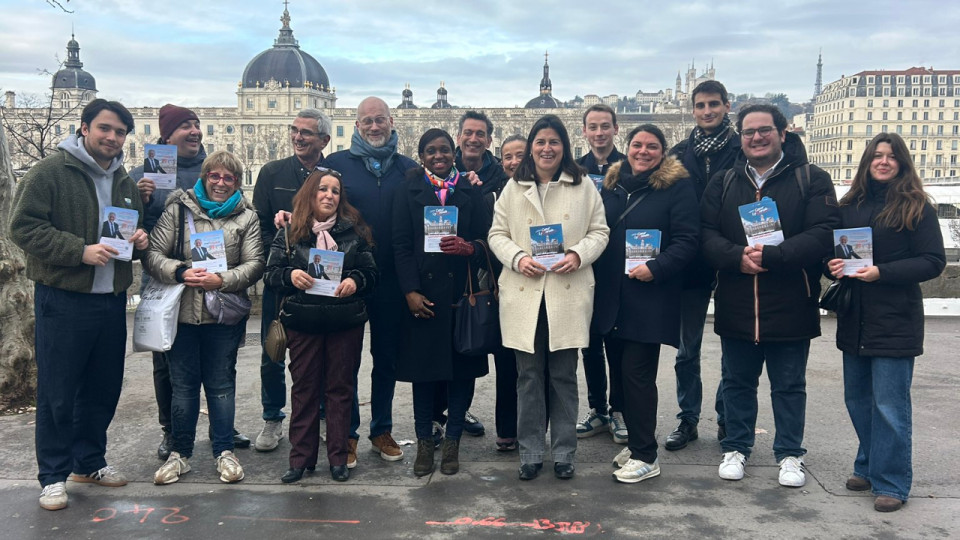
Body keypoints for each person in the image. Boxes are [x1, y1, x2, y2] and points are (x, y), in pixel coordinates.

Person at [10, 99, 146, 510]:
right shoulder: (51, 171)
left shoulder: (122, 179)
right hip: (64, 297)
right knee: (58, 390)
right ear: (84, 128)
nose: (112, 138)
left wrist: (137, 242)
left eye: (120, 132)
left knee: (102, 387)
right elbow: (23, 227)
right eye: (105, 128)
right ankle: (52, 474)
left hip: (110, 300)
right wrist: (78, 251)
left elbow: (129, 230)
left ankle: (89, 461)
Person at [700, 104, 840, 487]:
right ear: (740, 138)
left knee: (790, 385)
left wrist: (774, 256)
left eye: (764, 130)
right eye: (748, 132)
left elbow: (824, 231)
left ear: (782, 133)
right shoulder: (724, 182)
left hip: (791, 299)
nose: (756, 138)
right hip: (738, 298)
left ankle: (790, 453)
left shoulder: (811, 179)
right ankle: (737, 446)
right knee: (737, 383)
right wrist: (735, 258)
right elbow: (706, 235)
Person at [825, 133, 945, 512]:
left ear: (903, 162)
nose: (883, 162)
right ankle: (868, 464)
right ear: (867, 161)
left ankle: (891, 481)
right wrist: (831, 265)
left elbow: (932, 261)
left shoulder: (917, 206)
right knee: (858, 400)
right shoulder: (849, 205)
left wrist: (883, 272)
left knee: (890, 406)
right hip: (855, 316)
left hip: (895, 317)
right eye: (877, 155)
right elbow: (831, 253)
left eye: (891, 157)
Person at [488, 115, 609, 481]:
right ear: (531, 147)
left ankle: (564, 451)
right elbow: (496, 234)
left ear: (564, 146)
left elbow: (600, 231)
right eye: (540, 141)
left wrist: (577, 254)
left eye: (553, 141)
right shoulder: (514, 187)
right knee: (527, 376)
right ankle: (530, 451)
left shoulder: (583, 185)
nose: (546, 148)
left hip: (565, 290)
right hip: (525, 291)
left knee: (563, 376)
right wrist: (518, 258)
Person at [130, 104, 250, 458]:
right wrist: (141, 199)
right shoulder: (144, 173)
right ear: (167, 135)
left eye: (197, 124)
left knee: (220, 363)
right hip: (165, 278)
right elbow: (128, 226)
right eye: (186, 126)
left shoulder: (213, 168)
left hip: (214, 280)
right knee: (167, 363)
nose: (195, 131)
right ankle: (171, 429)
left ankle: (220, 427)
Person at [144, 150, 264, 485]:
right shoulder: (177, 209)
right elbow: (153, 254)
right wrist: (180, 271)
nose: (221, 183)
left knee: (221, 386)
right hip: (181, 313)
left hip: (222, 315)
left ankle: (223, 451)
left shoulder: (247, 217)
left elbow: (255, 263)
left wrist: (222, 280)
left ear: (237, 182)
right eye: (215, 176)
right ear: (204, 177)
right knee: (182, 387)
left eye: (228, 177)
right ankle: (180, 454)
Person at [592, 125, 699, 484]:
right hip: (611, 294)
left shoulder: (677, 187)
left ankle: (646, 455)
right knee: (620, 374)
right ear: (627, 147)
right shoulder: (611, 184)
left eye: (652, 146)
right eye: (637, 145)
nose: (643, 151)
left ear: (663, 152)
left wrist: (656, 268)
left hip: (649, 294)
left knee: (638, 375)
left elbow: (687, 240)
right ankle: (638, 442)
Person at [264, 168, 378, 484]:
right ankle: (301, 460)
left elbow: (372, 274)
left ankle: (338, 458)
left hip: (345, 322)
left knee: (340, 390)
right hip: (303, 323)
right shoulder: (289, 231)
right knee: (304, 391)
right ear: (310, 194)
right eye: (323, 189)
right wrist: (290, 277)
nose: (329, 195)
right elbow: (270, 274)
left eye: (335, 191)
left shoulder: (354, 232)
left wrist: (355, 281)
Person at [324, 97, 418, 465]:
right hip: (348, 279)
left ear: (391, 122)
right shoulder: (336, 167)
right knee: (345, 361)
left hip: (392, 279)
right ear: (357, 125)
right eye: (367, 122)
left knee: (387, 359)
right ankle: (347, 433)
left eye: (380, 121)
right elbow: (315, 208)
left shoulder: (409, 170)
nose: (374, 127)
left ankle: (381, 429)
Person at [393, 128, 491, 476]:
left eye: (445, 150)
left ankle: (452, 442)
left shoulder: (470, 190)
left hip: (460, 298)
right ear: (421, 156)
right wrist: (410, 291)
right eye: (431, 151)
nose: (439, 156)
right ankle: (424, 442)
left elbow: (485, 239)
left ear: (455, 154)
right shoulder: (408, 190)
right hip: (425, 297)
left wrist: (471, 248)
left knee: (461, 372)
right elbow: (401, 245)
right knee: (424, 374)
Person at [665, 80, 742, 450]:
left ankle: (727, 417)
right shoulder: (679, 154)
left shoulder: (745, 150)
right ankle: (688, 419)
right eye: (700, 105)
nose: (707, 111)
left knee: (734, 347)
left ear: (727, 106)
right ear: (693, 110)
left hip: (733, 259)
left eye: (714, 104)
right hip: (691, 262)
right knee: (687, 349)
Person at [252, 109, 332, 453]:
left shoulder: (335, 175)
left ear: (324, 141)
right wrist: (285, 253)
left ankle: (324, 413)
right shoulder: (272, 172)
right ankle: (273, 416)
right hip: (283, 279)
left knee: (324, 353)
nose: (299, 137)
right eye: (295, 131)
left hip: (323, 279)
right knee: (273, 349)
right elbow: (260, 226)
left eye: (307, 133)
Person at [575, 104, 627, 443]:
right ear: (584, 132)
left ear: (615, 128)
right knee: (589, 343)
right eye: (592, 127)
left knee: (619, 342)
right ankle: (597, 408)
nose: (599, 133)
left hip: (620, 267)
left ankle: (620, 409)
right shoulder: (575, 170)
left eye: (604, 126)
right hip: (582, 266)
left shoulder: (630, 166)